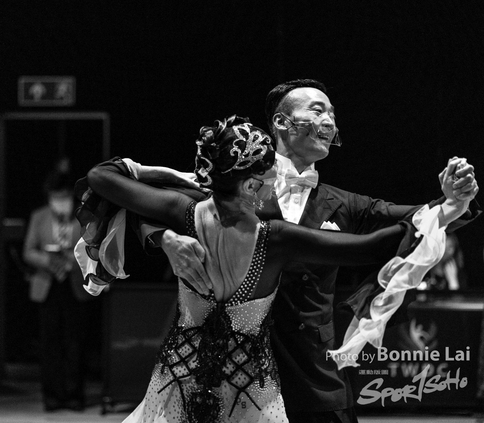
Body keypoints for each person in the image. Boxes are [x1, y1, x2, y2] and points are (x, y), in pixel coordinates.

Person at [77, 115, 471, 423]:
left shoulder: (182, 212)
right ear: (250, 186)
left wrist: (165, 193)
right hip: (250, 392)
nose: (272, 187)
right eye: (268, 181)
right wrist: (443, 211)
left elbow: (100, 176)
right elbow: (371, 248)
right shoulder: (276, 237)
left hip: (178, 378)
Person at [22, 171, 89, 412]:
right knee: (49, 342)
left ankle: (74, 394)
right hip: (47, 285)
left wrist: (70, 260)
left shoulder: (84, 216)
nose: (59, 201)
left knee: (75, 341)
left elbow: (92, 249)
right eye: (54, 197)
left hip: (74, 284)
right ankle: (52, 395)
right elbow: (28, 251)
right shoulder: (39, 216)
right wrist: (48, 261)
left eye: (63, 197)